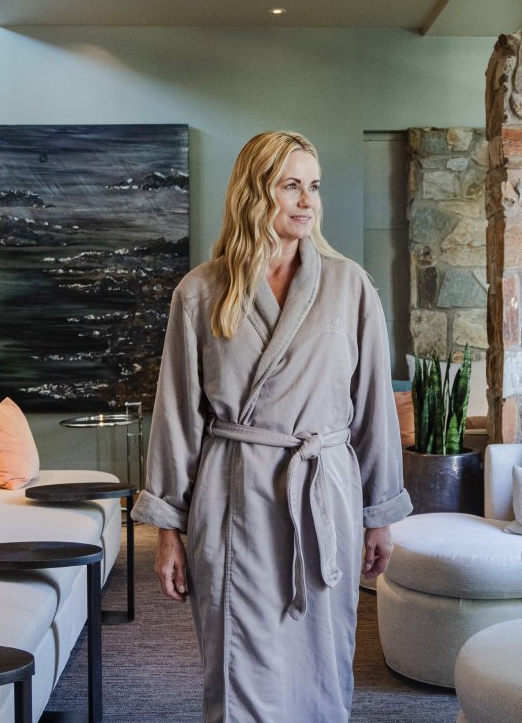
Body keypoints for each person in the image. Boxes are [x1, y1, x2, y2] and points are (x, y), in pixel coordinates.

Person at [132, 130, 412, 723]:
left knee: (323, 665)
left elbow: (372, 410)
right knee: (238, 670)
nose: (307, 201)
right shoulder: (200, 293)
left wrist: (380, 514)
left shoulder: (350, 286)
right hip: (235, 499)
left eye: (314, 186)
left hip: (322, 495)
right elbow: (178, 414)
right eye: (290, 186)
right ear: (254, 194)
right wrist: (166, 531)